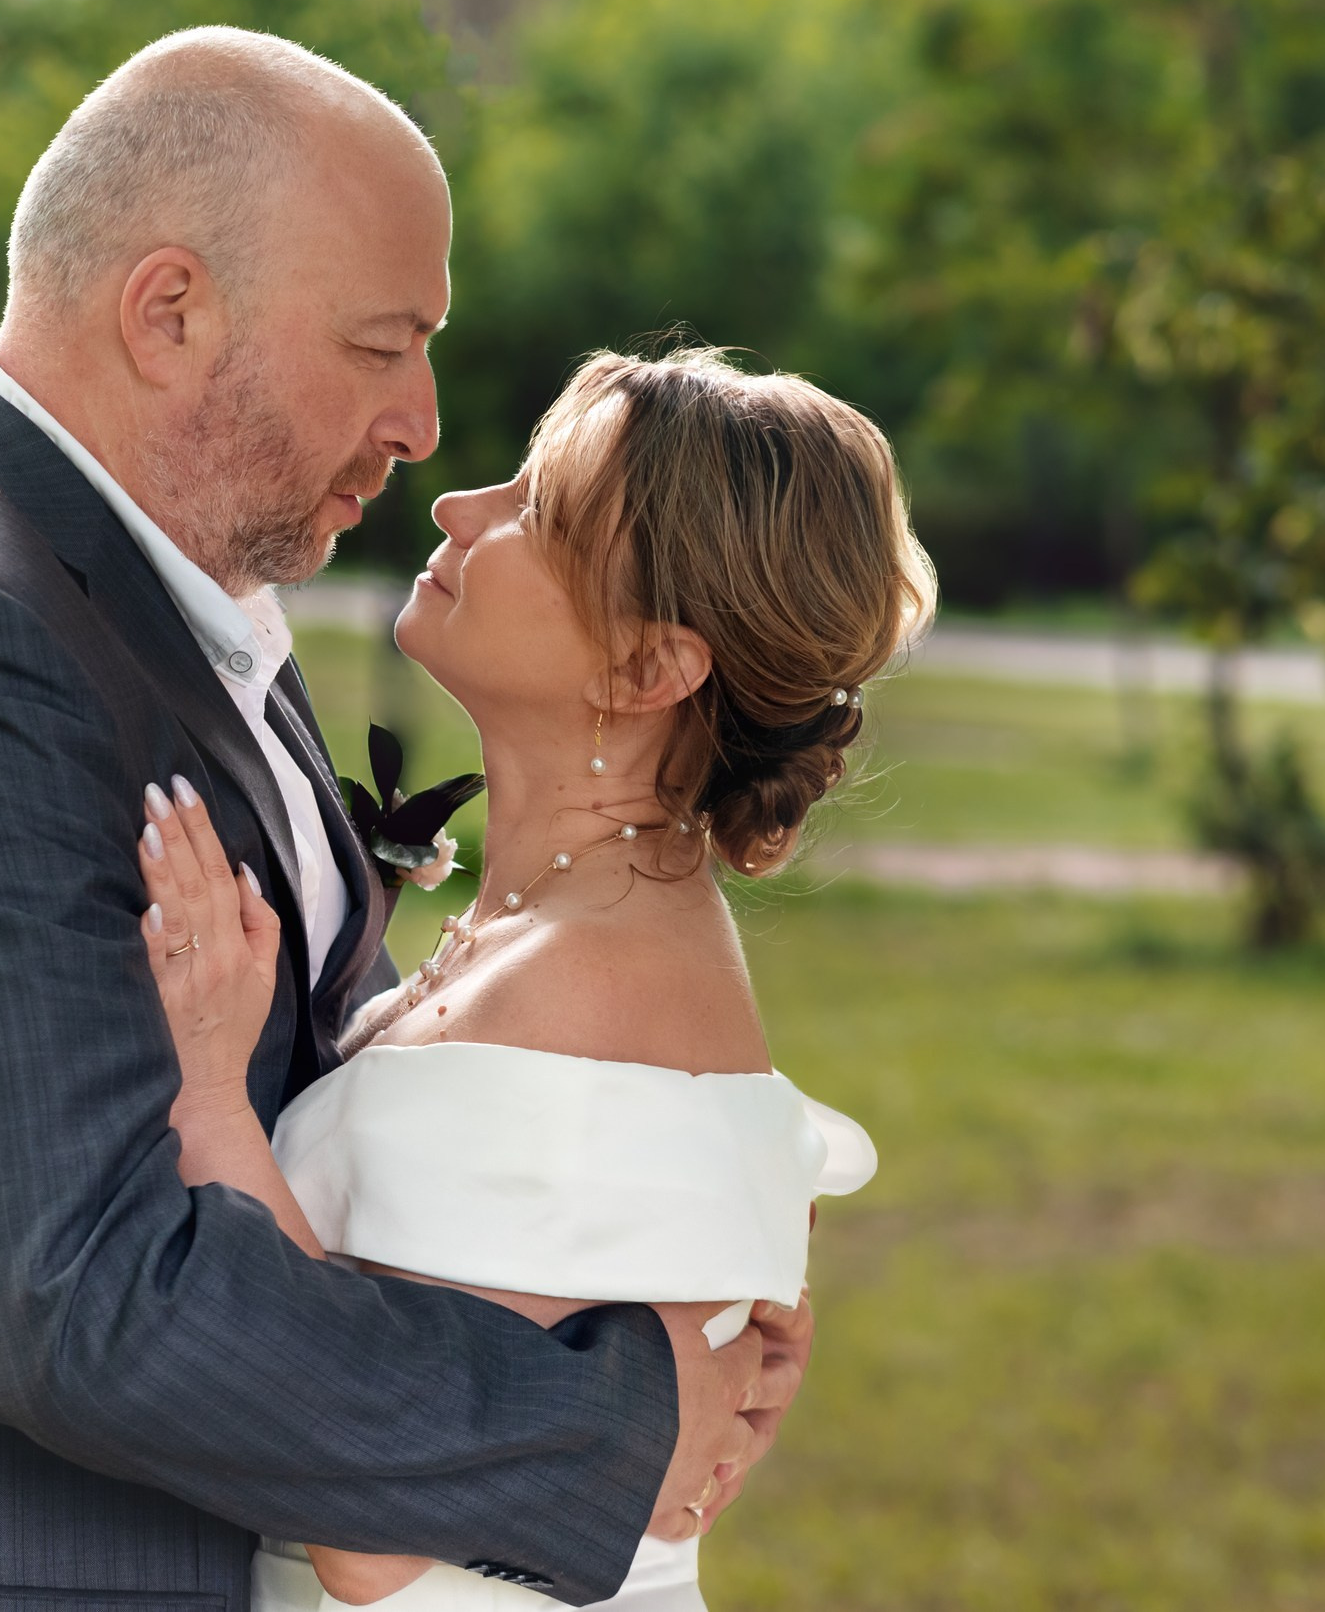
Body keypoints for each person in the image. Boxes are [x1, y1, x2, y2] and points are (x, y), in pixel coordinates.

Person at [0, 29, 796, 1612]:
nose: (424, 421)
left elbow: (311, 1108)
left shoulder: (168, 604)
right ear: (170, 312)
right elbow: (85, 1300)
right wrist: (607, 1417)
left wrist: (663, 1266)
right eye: (378, 344)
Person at [130, 347, 935, 1609]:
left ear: (647, 670)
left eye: (536, 510)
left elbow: (374, 1529)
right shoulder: (566, 937)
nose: (461, 507)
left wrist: (214, 1104)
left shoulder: (583, 989)